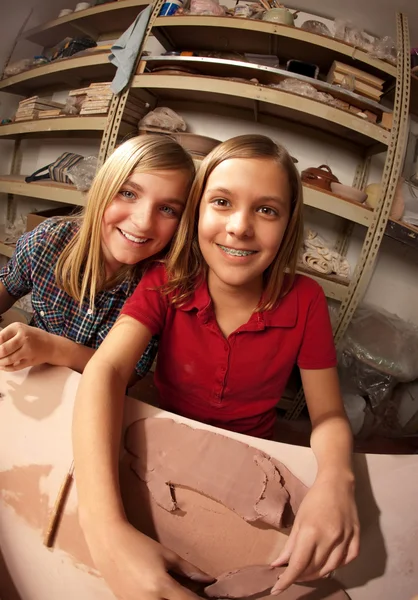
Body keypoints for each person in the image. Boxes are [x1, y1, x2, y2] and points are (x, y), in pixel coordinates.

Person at [73, 134, 360, 599]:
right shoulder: (163, 282)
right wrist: (105, 529)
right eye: (222, 202)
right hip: (163, 448)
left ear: (289, 225)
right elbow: (105, 371)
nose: (241, 227)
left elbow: (327, 415)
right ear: (197, 212)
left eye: (267, 210)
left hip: (252, 463)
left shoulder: (305, 301)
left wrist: (336, 479)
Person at [0, 135, 194, 379]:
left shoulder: (162, 284)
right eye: (128, 193)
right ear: (102, 190)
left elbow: (129, 372)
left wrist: (53, 348)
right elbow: (7, 285)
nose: (143, 223)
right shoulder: (48, 240)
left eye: (167, 209)